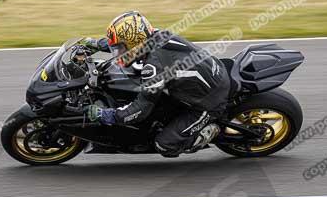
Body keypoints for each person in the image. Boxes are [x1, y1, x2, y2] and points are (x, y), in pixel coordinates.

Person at [81, 11, 232, 157]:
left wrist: (106, 114)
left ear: (135, 44)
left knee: (164, 145)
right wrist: (99, 44)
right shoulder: (155, 35)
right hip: (210, 74)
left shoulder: (153, 68)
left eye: (119, 48)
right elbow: (128, 47)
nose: (118, 52)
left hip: (209, 101)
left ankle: (210, 131)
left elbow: (139, 110)